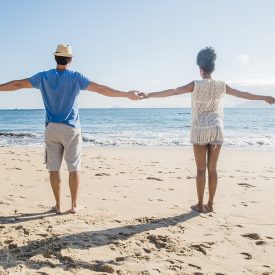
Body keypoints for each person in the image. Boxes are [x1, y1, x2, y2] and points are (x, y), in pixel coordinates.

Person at [0, 44, 141, 214]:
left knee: (54, 168)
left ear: (55, 58)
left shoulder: (43, 77)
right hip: (71, 128)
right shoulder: (75, 77)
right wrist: (126, 94)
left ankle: (58, 206)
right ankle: (73, 206)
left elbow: (17, 84)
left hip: (51, 127)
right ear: (70, 59)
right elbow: (101, 89)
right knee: (74, 167)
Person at [140, 46, 275, 213]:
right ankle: (210, 205)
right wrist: (264, 97)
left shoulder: (195, 84)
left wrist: (149, 94)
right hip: (217, 128)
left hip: (200, 129)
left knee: (200, 169)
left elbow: (174, 91)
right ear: (213, 68)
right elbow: (243, 94)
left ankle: (199, 204)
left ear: (200, 69)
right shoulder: (222, 85)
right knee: (213, 169)